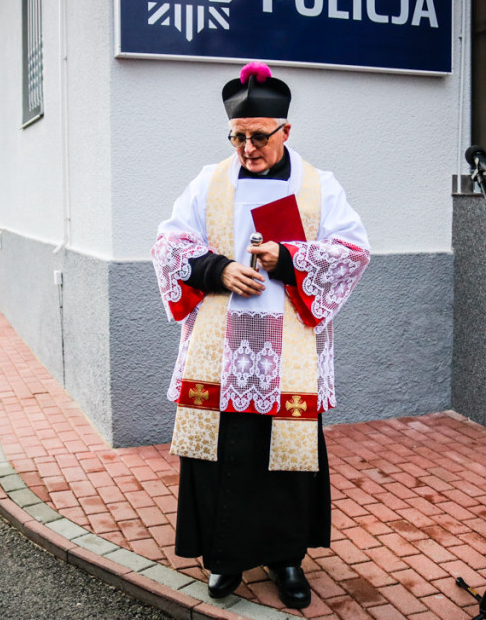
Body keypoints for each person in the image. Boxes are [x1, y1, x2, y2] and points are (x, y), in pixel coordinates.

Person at [151, 62, 370, 609]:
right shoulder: (209, 181)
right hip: (222, 351)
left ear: (286, 131)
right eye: (238, 136)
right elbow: (167, 243)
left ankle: (286, 558)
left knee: (286, 460)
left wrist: (288, 258)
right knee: (223, 453)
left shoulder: (321, 186)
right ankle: (222, 561)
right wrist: (217, 270)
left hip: (290, 351)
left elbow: (353, 251)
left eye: (258, 136)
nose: (247, 148)